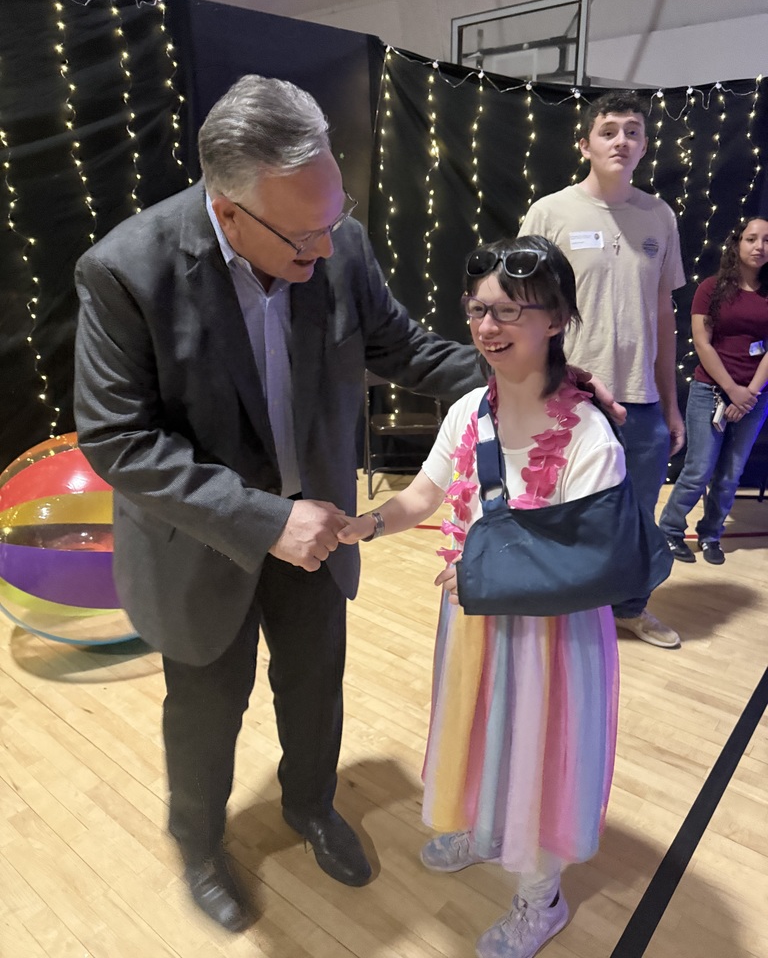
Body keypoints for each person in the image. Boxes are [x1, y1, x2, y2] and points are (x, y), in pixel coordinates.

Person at [73, 74, 484, 932]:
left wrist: (519, 381)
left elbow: (399, 345)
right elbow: (119, 442)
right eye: (305, 236)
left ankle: (310, 805)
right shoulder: (125, 271)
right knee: (206, 709)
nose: (327, 250)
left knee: (314, 687)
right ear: (229, 212)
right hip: (199, 545)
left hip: (321, 532)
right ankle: (198, 841)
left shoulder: (340, 245)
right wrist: (266, 519)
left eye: (333, 223)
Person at [339, 237, 624, 958]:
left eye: (509, 312)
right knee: (476, 733)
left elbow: (589, 563)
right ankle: (484, 825)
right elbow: (426, 495)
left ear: (556, 318)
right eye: (478, 310)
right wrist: (366, 523)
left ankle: (541, 899)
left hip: (550, 639)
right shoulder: (471, 407)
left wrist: (481, 577)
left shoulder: (591, 435)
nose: (488, 327)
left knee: (539, 759)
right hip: (470, 621)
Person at [519, 90, 685, 649]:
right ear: (585, 142)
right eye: (609, 130)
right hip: (570, 395)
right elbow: (523, 308)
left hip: (639, 399)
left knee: (636, 516)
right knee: (564, 509)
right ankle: (565, 612)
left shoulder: (658, 215)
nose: (622, 140)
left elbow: (664, 314)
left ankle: (630, 608)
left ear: (644, 144)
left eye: (632, 131)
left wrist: (670, 401)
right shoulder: (550, 212)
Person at [659, 217, 768, 563]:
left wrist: (748, 392)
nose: (759, 246)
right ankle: (670, 532)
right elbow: (702, 344)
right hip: (711, 392)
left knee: (730, 474)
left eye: (767, 240)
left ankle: (710, 535)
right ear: (737, 244)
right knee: (699, 469)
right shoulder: (711, 288)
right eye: (752, 238)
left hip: (755, 396)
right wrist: (732, 390)